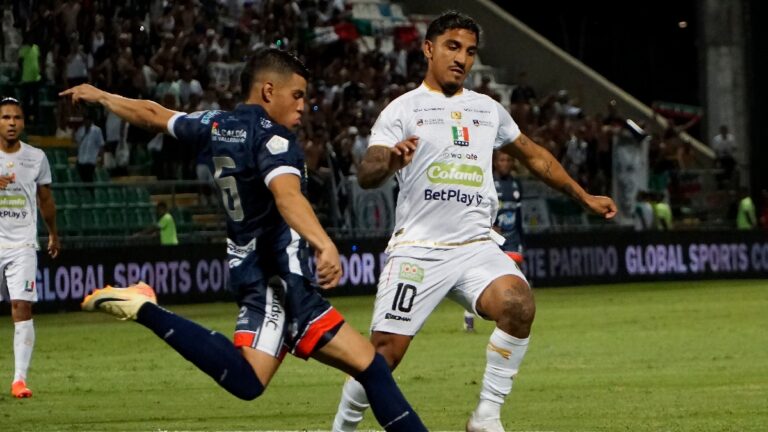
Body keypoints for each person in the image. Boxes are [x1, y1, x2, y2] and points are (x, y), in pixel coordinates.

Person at [60, 48, 427, 431]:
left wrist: (103, 96)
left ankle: (145, 308)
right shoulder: (276, 140)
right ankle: (145, 309)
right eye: (298, 95)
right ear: (269, 91)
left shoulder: (217, 124)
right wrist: (324, 243)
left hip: (253, 272)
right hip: (281, 279)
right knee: (370, 368)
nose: (304, 105)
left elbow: (154, 115)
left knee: (255, 380)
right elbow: (287, 196)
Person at [331, 12, 616, 432]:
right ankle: (343, 426)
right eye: (452, 46)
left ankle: (486, 416)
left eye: (469, 51)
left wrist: (583, 195)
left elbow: (534, 156)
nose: (461, 58)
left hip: (475, 247)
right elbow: (368, 171)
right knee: (384, 353)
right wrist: (392, 158)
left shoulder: (487, 110)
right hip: (419, 249)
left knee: (518, 304)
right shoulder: (403, 110)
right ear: (428, 48)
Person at [0, 97, 60, 398]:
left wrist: (53, 234)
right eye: (6, 117)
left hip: (22, 243)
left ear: (24, 122)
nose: (12, 123)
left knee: (21, 306)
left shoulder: (36, 157)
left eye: (17, 118)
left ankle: (19, 380)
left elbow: (46, 200)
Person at [464, 150, 525, 333]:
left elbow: (519, 214)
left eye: (508, 159)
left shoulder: (516, 184)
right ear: (495, 163)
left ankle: (510, 318)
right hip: (492, 238)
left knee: (513, 281)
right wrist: (488, 227)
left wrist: (522, 237)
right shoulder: (486, 182)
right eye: (501, 160)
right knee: (483, 277)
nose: (505, 163)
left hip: (512, 238)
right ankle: (469, 317)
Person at [73, 112, 105, 183]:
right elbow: (76, 141)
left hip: (90, 161)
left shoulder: (97, 130)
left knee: (89, 181)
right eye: (85, 120)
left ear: (91, 120)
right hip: (80, 160)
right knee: (81, 181)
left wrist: (102, 159)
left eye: (88, 120)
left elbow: (101, 145)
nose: (86, 122)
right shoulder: (80, 130)